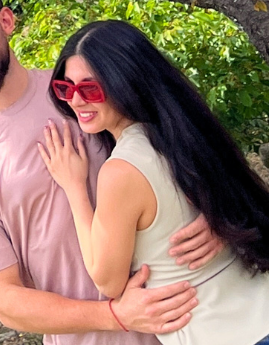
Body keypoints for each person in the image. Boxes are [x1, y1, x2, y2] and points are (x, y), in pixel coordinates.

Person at [0, 0, 221, 343]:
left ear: (6, 20)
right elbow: (4, 301)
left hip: (197, 320)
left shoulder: (78, 88)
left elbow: (183, 141)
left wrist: (222, 219)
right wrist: (116, 315)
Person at [39, 18, 269, 345]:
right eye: (66, 88)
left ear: (125, 83)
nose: (75, 101)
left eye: (90, 88)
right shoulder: (184, 134)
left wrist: (75, 188)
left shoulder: (121, 171)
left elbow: (107, 281)